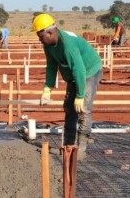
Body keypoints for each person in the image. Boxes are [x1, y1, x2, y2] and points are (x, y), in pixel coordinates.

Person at [32, 13, 103, 161]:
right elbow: (51, 66)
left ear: (50, 32)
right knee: (69, 109)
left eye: (40, 36)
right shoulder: (49, 45)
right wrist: (47, 88)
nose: (39, 40)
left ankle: (81, 150)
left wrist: (80, 95)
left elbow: (79, 70)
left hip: (89, 71)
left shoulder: (68, 45)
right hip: (74, 74)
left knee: (83, 109)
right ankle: (68, 147)